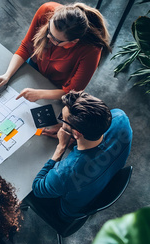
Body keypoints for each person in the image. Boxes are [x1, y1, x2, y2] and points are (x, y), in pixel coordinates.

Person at [26, 91, 132, 222]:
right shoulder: (120, 117)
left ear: (76, 133)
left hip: (68, 212)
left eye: (62, 119)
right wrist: (68, 128)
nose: (62, 122)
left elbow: (37, 187)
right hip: (103, 182)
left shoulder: (66, 172)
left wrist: (61, 147)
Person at [0, 2, 111, 102]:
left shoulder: (92, 51)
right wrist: (7, 74)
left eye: (56, 40)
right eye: (48, 31)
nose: (48, 38)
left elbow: (72, 91)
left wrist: (40, 94)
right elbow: (26, 47)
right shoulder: (46, 11)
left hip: (57, 88)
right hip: (34, 66)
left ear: (73, 42)